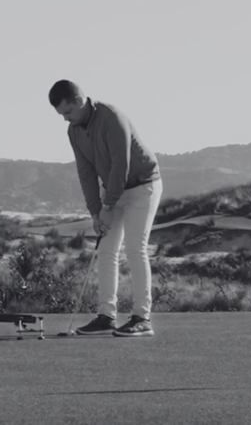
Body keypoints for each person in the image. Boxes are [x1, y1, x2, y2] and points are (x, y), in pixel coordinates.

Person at [48, 80, 162, 337]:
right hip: (112, 188)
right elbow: (86, 172)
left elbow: (121, 164)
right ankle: (106, 316)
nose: (66, 119)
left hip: (143, 186)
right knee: (106, 250)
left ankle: (142, 318)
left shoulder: (112, 117)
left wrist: (108, 205)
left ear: (79, 101)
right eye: (61, 115)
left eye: (68, 112)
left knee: (135, 249)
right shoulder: (74, 131)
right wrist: (95, 212)